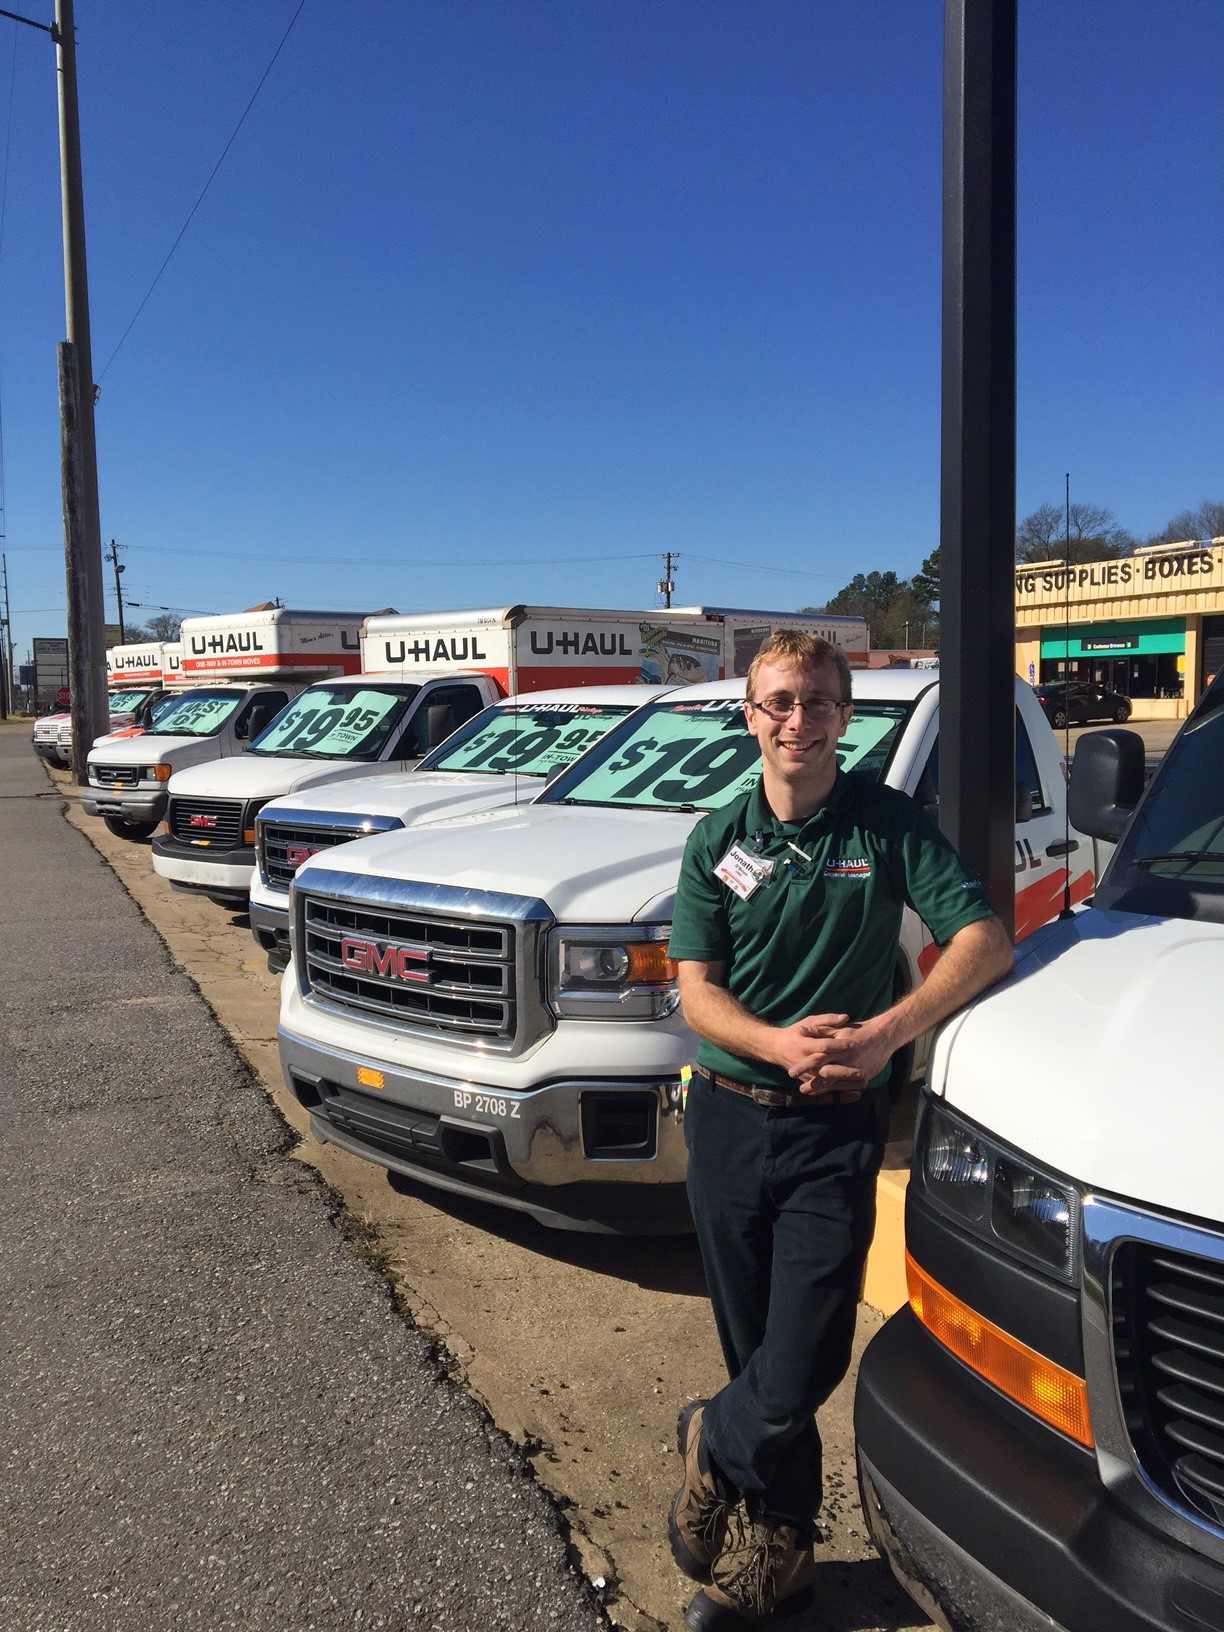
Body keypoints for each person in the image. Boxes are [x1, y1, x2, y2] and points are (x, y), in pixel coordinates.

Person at [666, 630, 1014, 1631]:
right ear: (750, 716)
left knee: (808, 1349)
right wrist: (777, 1044)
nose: (798, 721)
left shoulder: (886, 826)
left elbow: (984, 940)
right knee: (756, 1347)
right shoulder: (715, 841)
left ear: (844, 718)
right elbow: (698, 994)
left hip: (834, 1130)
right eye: (779, 702)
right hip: (729, 1120)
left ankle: (713, 1442)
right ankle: (782, 1556)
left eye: (818, 702)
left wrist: (882, 1037)